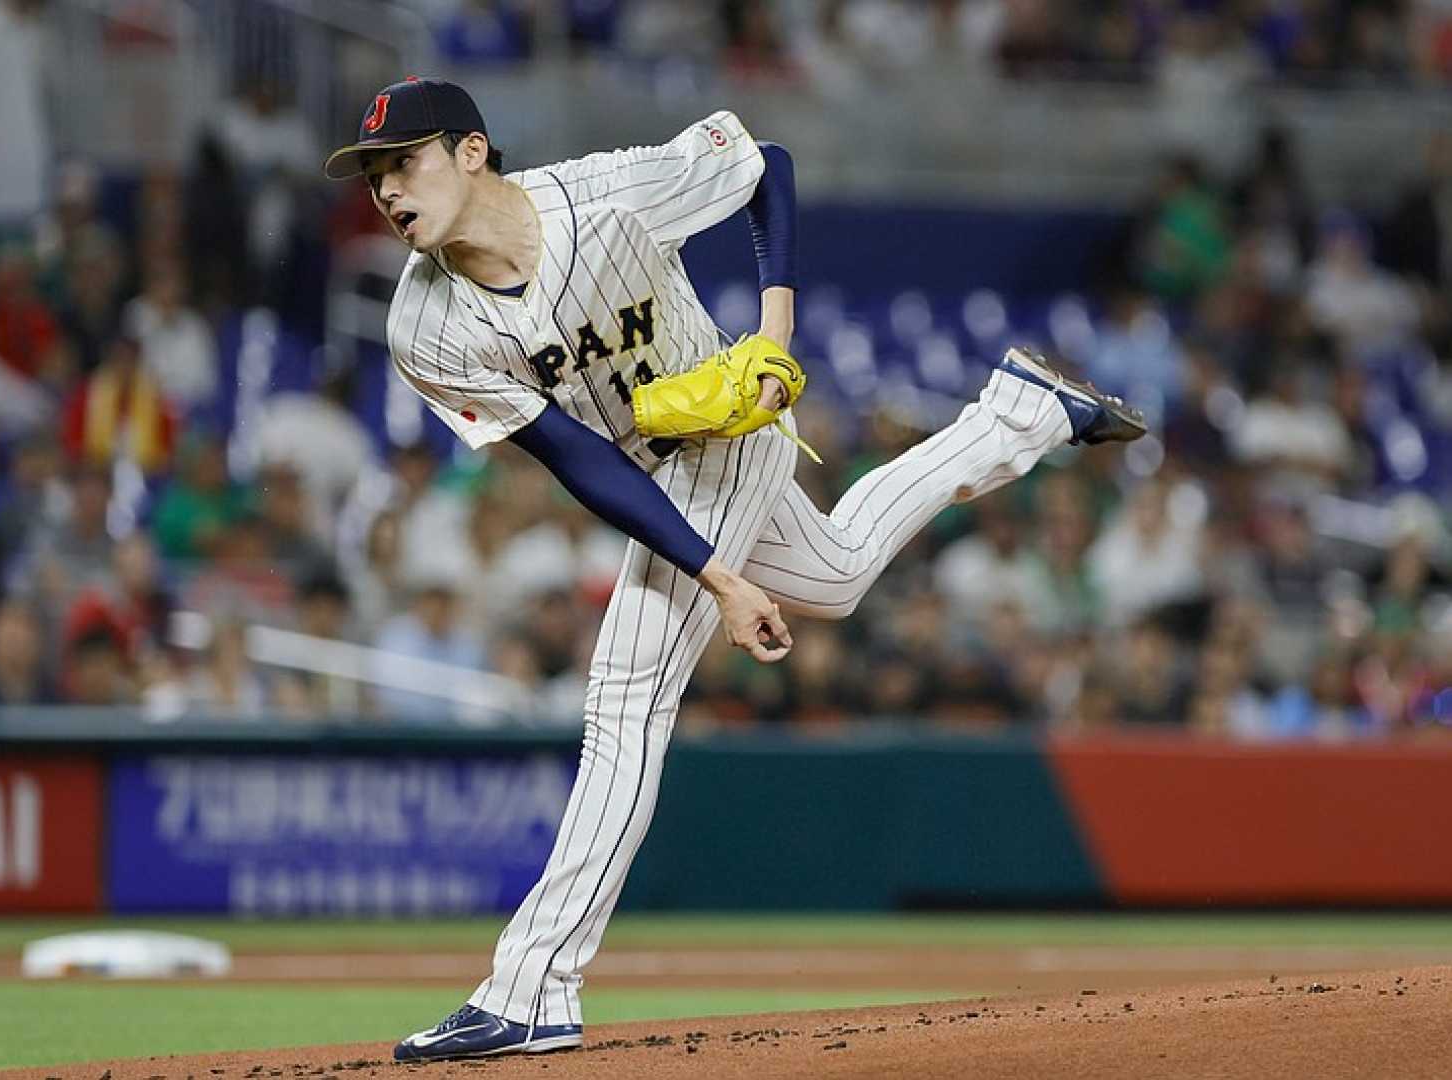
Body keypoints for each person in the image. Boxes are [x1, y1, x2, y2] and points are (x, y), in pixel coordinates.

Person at [322, 76, 1144, 1062]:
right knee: (834, 573)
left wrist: (775, 331)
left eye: (401, 162)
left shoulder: (605, 194)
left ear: (467, 152)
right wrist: (718, 572)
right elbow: (576, 458)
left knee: (624, 697)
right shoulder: (425, 325)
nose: (385, 191)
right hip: (646, 467)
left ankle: (532, 987)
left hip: (727, 433)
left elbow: (768, 168)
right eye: (372, 176)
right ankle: (1019, 416)